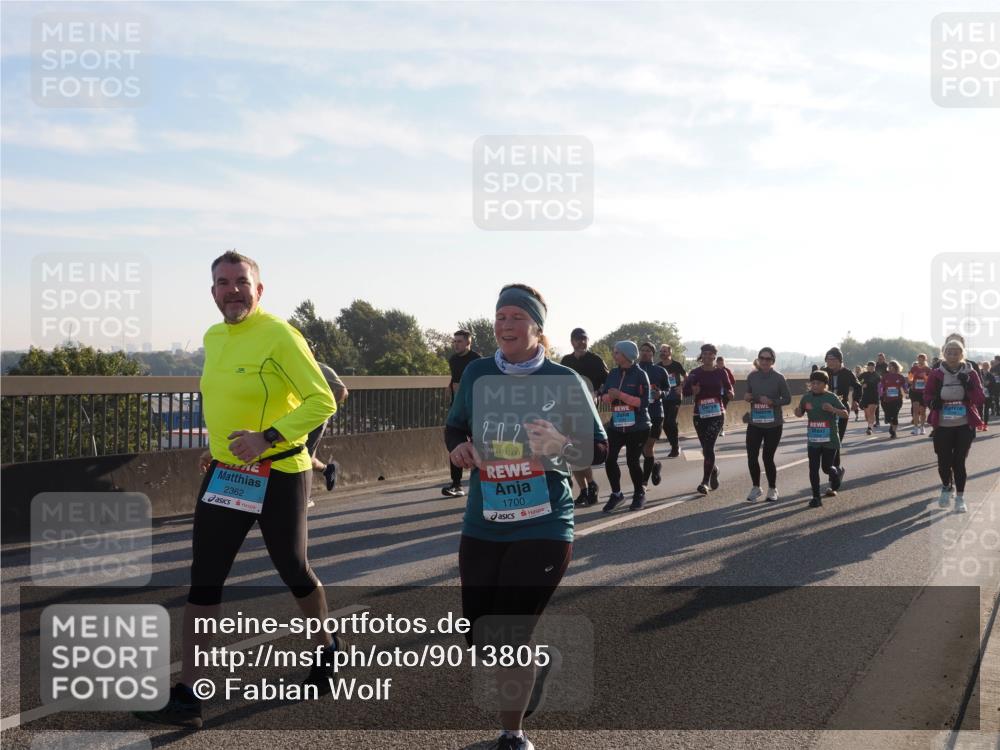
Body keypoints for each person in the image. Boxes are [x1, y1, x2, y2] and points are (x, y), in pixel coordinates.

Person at [135, 251, 338, 729]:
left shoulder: (281, 335)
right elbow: (225, 397)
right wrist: (215, 447)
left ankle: (326, 646)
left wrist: (265, 439)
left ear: (259, 289)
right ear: (213, 293)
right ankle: (188, 697)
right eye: (223, 283)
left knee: (293, 568)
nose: (233, 290)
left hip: (280, 471)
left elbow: (322, 400)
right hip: (227, 473)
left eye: (241, 282)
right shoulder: (212, 336)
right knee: (204, 577)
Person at [445, 283, 608, 750]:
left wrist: (562, 447)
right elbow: (455, 423)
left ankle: (512, 732)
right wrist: (457, 446)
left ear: (537, 327)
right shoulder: (477, 373)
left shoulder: (564, 380)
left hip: (545, 522)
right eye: (500, 318)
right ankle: (538, 663)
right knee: (480, 632)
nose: (506, 325)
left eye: (517, 317)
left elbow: (596, 447)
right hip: (484, 520)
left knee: (511, 628)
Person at [924, 338, 985, 513]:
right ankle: (946, 486)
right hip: (942, 424)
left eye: (955, 352)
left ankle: (960, 498)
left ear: (962, 354)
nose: (952, 355)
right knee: (944, 462)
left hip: (964, 424)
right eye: (949, 352)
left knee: (959, 462)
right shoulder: (936, 373)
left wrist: (969, 385)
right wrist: (932, 402)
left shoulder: (970, 373)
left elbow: (980, 398)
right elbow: (927, 394)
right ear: (944, 353)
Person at [598, 341, 652, 512]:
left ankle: (639, 493)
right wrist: (609, 397)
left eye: (616, 352)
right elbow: (605, 397)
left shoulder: (640, 375)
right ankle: (616, 494)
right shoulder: (613, 373)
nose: (614, 355)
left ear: (627, 355)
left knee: (632, 461)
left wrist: (621, 395)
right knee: (610, 458)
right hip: (617, 425)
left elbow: (643, 403)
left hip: (638, 426)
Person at [560, 327, 610, 505]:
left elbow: (608, 381)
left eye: (584, 339)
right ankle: (583, 490)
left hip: (588, 410)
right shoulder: (566, 361)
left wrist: (598, 393)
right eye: (577, 339)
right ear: (572, 341)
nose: (581, 342)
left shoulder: (595, 360)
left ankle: (591, 485)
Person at [683, 344, 734, 495]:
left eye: (709, 354)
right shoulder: (694, 373)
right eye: (704, 354)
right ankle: (714, 470)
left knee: (709, 447)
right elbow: (685, 392)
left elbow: (729, 388)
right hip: (699, 415)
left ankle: (704, 482)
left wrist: (730, 393)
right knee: (706, 449)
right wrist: (693, 390)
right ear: (701, 356)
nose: (706, 356)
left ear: (714, 356)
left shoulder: (721, 373)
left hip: (717, 414)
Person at [794, 370, 849, 508]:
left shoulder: (831, 397)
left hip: (830, 439)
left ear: (825, 384)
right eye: (812, 383)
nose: (815, 385)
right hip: (813, 439)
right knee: (813, 468)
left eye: (818, 383)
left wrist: (832, 410)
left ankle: (836, 472)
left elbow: (845, 414)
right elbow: (800, 412)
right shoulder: (806, 398)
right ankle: (816, 497)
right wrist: (798, 412)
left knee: (825, 468)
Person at [743, 347, 791, 502]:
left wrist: (772, 402)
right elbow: (749, 395)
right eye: (761, 358)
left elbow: (787, 399)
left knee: (767, 457)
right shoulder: (752, 376)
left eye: (768, 359)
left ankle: (772, 488)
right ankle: (756, 487)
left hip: (773, 424)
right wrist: (748, 397)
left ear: (773, 361)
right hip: (755, 422)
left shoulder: (779, 377)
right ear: (758, 360)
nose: (764, 361)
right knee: (751, 456)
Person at [303, 359, 349, 507]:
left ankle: (305, 497)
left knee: (303, 456)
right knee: (304, 457)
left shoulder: (321, 368)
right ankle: (328, 469)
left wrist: (327, 408)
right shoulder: (290, 364)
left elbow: (343, 390)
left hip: (316, 418)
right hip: (294, 417)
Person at [443, 330, 481, 497]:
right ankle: (456, 484)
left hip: (475, 410)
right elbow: (456, 379)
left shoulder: (476, 360)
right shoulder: (453, 359)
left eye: (459, 341)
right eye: (454, 341)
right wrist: (450, 387)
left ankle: (482, 482)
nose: (456, 344)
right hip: (458, 409)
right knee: (456, 444)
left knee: (478, 444)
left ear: (468, 342)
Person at [637, 342, 671, 488]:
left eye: (648, 351)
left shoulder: (660, 371)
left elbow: (668, 389)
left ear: (653, 353)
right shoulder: (634, 369)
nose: (645, 353)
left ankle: (643, 483)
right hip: (637, 414)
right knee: (641, 448)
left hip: (656, 413)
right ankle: (655, 465)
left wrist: (661, 393)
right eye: (642, 350)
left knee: (648, 447)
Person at [822, 347, 862, 465]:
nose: (830, 362)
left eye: (833, 359)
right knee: (826, 440)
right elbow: (813, 386)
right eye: (828, 359)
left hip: (841, 409)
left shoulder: (847, 373)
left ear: (839, 360)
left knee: (836, 440)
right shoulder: (823, 372)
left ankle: (835, 470)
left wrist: (855, 400)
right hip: (825, 409)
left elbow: (858, 387)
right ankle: (833, 468)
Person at [656, 344, 687, 457]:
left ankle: (675, 447)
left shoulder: (676, 365)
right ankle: (674, 445)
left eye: (665, 351)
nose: (662, 353)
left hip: (675, 398)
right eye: (661, 351)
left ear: (670, 353)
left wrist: (682, 387)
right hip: (664, 398)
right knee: (665, 425)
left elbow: (686, 377)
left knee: (670, 421)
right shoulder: (658, 367)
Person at [879, 361, 908, 439]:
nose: (890, 368)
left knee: (895, 415)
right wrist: (881, 393)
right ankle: (890, 422)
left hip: (897, 399)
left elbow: (904, 385)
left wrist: (906, 391)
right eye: (889, 366)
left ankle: (894, 432)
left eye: (892, 366)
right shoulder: (885, 376)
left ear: (896, 367)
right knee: (889, 415)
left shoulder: (900, 376)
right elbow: (881, 386)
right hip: (887, 399)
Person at [908, 354, 932, 435]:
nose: (920, 361)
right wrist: (911, 382)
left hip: (923, 392)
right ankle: (915, 428)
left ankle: (922, 427)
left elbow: (930, 381)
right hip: (915, 391)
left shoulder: (928, 369)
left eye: (922, 359)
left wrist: (924, 377)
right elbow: (910, 378)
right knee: (915, 410)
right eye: (919, 359)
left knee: (923, 411)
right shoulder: (914, 368)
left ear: (925, 360)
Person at [858, 361, 881, 435]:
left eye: (872, 366)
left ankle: (870, 428)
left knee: (872, 412)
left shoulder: (877, 375)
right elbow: (857, 381)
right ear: (867, 367)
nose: (871, 368)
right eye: (870, 366)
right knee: (867, 415)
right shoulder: (863, 375)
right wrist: (862, 384)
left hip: (874, 395)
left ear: (874, 367)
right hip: (866, 396)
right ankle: (870, 424)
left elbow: (881, 385)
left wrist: (881, 393)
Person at [716, 356, 736, 437]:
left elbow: (733, 381)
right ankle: (716, 428)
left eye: (722, 363)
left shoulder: (727, 371)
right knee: (716, 412)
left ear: (724, 363)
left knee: (722, 411)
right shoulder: (713, 370)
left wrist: (725, 383)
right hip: (715, 394)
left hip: (725, 394)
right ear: (716, 363)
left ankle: (721, 429)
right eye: (719, 363)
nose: (720, 365)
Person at [980, 361, 997, 426]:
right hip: (980, 394)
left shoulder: (991, 375)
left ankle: (985, 424)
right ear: (982, 366)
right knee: (980, 409)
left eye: (987, 365)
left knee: (986, 409)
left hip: (988, 394)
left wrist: (988, 385)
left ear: (989, 366)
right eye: (984, 365)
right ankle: (980, 422)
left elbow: (994, 385)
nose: (985, 367)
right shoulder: (978, 373)